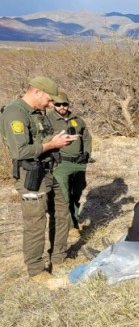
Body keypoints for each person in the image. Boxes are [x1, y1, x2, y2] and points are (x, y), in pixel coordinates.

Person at [1, 76, 77, 283]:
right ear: (36, 92)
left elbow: (40, 139)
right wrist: (52, 145)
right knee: (35, 222)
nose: (51, 104)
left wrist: (56, 141)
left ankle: (59, 257)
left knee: (62, 213)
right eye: (49, 99)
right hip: (30, 175)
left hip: (48, 170)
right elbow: (20, 151)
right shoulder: (15, 112)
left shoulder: (37, 113)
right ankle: (36, 270)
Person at [48, 91, 92, 233]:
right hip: (61, 163)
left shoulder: (77, 119)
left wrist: (86, 153)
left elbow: (86, 137)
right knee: (63, 196)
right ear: (54, 105)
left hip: (79, 163)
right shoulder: (48, 120)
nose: (62, 107)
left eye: (64, 104)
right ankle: (68, 228)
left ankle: (74, 219)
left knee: (77, 193)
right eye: (58, 104)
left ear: (68, 104)